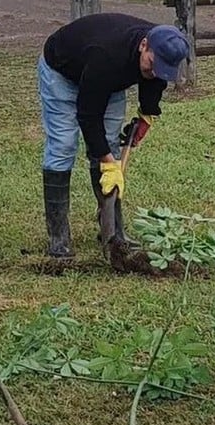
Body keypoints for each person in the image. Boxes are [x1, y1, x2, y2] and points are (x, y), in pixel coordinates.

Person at [38, 13, 190, 259]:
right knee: (64, 145)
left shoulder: (162, 46)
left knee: (109, 145)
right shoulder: (107, 55)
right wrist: (108, 164)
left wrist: (147, 114)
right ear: (143, 45)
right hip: (62, 72)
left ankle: (112, 231)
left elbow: (155, 81)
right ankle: (59, 236)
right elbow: (88, 115)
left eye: (163, 69)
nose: (155, 71)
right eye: (153, 63)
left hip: (107, 82)